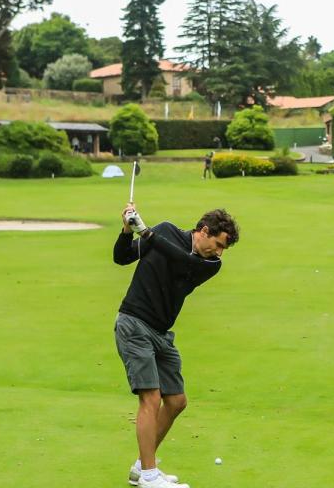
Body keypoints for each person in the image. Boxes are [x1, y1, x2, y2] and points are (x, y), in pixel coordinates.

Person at [113, 206, 240, 488]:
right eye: (218, 244)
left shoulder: (210, 264)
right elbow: (121, 257)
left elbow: (182, 262)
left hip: (160, 333)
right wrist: (126, 229)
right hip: (134, 323)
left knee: (176, 401)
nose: (219, 252)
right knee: (151, 398)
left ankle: (141, 467)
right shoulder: (167, 230)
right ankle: (148, 475)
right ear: (204, 231)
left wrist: (146, 232)